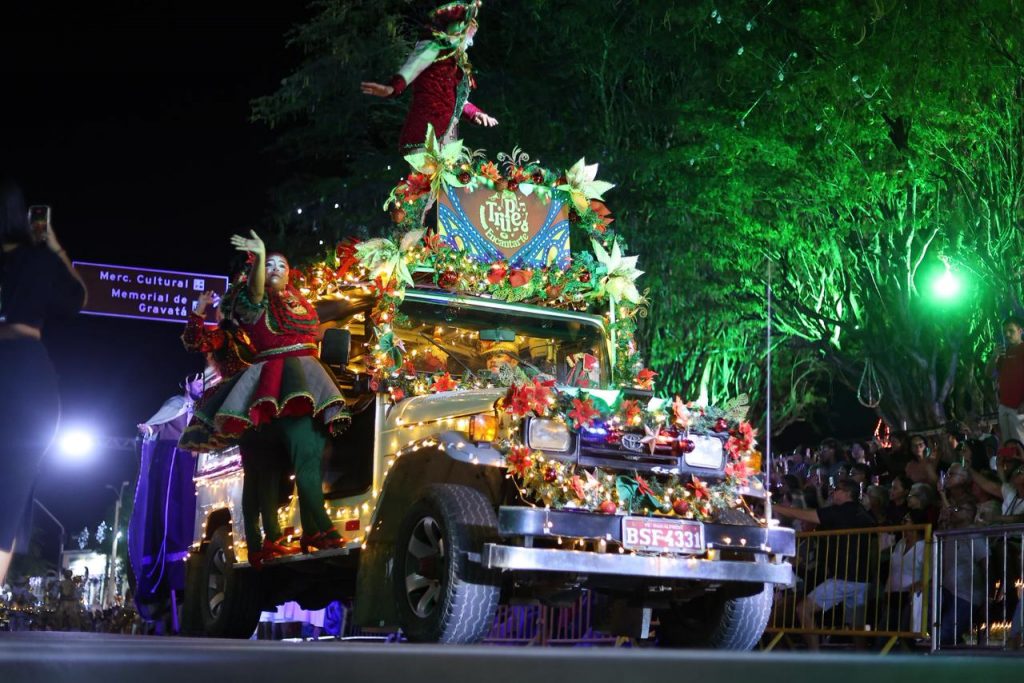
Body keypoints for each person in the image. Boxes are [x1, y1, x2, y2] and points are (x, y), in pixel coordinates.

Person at [182, 231, 350, 558]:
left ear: (290, 275)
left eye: (280, 265)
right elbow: (202, 336)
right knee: (262, 472)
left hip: (291, 381)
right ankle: (278, 539)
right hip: (257, 393)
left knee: (278, 466)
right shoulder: (243, 319)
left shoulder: (292, 306)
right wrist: (201, 311)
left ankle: (286, 536)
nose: (274, 269)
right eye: (268, 266)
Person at [0, 180, 86, 587]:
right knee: (9, 492)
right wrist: (54, 246)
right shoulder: (36, 259)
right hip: (27, 377)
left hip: (21, 373)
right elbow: (76, 297)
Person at [361, 0, 497, 152]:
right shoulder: (433, 46)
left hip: (447, 140)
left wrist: (475, 113)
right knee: (429, 168)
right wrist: (392, 88)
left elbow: (456, 100)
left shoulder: (458, 65)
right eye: (465, 32)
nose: (468, 40)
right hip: (424, 136)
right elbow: (413, 66)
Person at [773, 478, 878, 650]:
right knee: (856, 626)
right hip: (863, 578)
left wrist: (774, 507)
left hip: (844, 578)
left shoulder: (841, 512)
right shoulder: (863, 513)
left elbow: (803, 515)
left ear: (847, 493)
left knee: (803, 610)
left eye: (837, 489)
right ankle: (864, 659)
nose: (833, 492)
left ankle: (815, 656)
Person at [992, 315, 1024, 444]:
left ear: (1020, 331)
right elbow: (988, 374)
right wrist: (993, 357)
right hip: (1004, 406)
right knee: (1008, 445)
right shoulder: (1003, 352)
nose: (1007, 334)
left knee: (1020, 444)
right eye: (1005, 332)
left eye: (1011, 331)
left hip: (1019, 407)